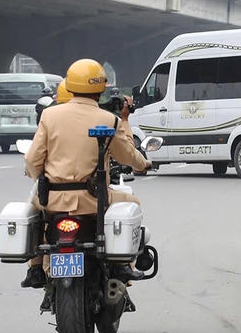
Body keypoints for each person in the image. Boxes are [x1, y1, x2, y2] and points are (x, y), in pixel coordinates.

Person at [20, 59, 151, 291]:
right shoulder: (109, 119)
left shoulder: (50, 116)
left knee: (36, 212)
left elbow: (32, 160)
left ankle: (35, 266)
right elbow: (128, 157)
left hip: (53, 201)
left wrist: (37, 177)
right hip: (94, 202)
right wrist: (144, 164)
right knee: (133, 203)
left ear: (69, 86)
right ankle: (122, 264)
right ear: (100, 89)